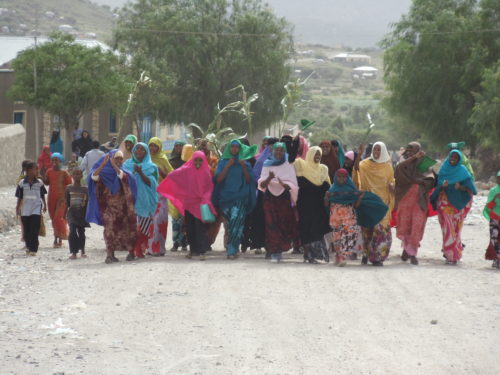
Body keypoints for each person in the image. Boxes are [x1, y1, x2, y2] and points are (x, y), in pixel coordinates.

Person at [158, 151, 216, 260]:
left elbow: (209, 188)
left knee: (200, 228)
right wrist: (164, 175)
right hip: (189, 204)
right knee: (190, 228)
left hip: (200, 205)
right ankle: (193, 250)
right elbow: (174, 175)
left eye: (200, 160)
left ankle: (202, 251)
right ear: (192, 160)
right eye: (196, 160)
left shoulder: (206, 172)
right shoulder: (187, 170)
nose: (198, 162)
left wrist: (205, 199)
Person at [327, 168, 388, 266]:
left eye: (344, 177)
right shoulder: (332, 189)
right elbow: (327, 205)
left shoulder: (351, 189)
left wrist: (359, 198)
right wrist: (326, 197)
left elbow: (355, 205)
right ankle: (339, 256)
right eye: (339, 177)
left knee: (350, 235)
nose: (341, 179)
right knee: (338, 238)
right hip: (336, 217)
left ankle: (343, 257)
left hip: (349, 217)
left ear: (347, 178)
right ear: (335, 177)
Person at [87, 150, 138, 264]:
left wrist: (115, 166)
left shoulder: (125, 172)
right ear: (110, 159)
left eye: (121, 159)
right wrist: (103, 165)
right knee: (109, 231)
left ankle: (131, 252)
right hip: (109, 208)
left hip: (123, 209)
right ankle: (110, 255)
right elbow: (94, 178)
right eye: (116, 159)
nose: (119, 161)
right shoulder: (104, 173)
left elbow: (123, 177)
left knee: (127, 230)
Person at [431, 150, 477, 265]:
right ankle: (450, 254)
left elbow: (471, 189)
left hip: (458, 205)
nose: (453, 159)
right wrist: (443, 186)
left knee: (456, 229)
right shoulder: (443, 169)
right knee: (447, 228)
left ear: (459, 159)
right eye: (452, 156)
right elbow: (437, 188)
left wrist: (461, 187)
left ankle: (455, 252)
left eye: (456, 157)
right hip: (444, 204)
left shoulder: (462, 170)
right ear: (449, 157)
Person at [213, 139, 257, 259]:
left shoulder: (245, 163)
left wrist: (243, 166)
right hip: (226, 198)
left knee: (235, 220)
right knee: (232, 224)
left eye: (237, 147)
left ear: (240, 149)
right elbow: (218, 179)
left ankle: (232, 249)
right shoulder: (222, 162)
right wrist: (228, 166)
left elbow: (249, 180)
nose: (234, 149)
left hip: (240, 197)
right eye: (232, 147)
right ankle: (234, 246)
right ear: (229, 149)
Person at [395, 142, 435, 265]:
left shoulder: (424, 165)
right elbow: (399, 170)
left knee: (417, 226)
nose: (410, 151)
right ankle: (407, 249)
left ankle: (412, 253)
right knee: (405, 226)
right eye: (409, 149)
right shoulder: (403, 163)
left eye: (413, 150)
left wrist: (421, 181)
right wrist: (413, 158)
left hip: (419, 200)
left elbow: (431, 179)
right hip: (405, 200)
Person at [258, 143, 299, 262]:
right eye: (277, 150)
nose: (279, 152)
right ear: (273, 151)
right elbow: (262, 185)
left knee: (282, 224)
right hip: (270, 199)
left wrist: (285, 185)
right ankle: (274, 251)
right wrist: (270, 178)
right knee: (271, 225)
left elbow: (293, 185)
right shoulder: (267, 164)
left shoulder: (288, 165)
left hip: (284, 199)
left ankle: (279, 249)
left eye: (282, 150)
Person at [357, 142, 395, 266]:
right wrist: (359, 154)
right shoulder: (364, 165)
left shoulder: (388, 167)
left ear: (383, 151)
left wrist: (392, 186)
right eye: (375, 150)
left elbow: (392, 180)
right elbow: (356, 173)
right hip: (368, 202)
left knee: (381, 231)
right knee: (367, 230)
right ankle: (366, 254)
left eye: (379, 150)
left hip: (383, 203)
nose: (376, 152)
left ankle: (378, 258)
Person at [294, 146, 331, 263]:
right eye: (315, 154)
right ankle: (307, 253)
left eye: (319, 154)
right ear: (310, 155)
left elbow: (328, 187)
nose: (318, 157)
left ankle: (314, 255)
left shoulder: (323, 169)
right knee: (305, 228)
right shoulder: (302, 167)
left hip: (318, 206)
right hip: (304, 205)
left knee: (316, 228)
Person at [123, 142, 159, 260]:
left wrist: (140, 172)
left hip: (145, 201)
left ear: (146, 152)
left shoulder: (151, 167)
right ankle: (131, 251)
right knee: (131, 227)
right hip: (130, 201)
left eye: (142, 149)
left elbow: (152, 183)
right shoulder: (127, 165)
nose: (138, 151)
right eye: (137, 148)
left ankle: (139, 250)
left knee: (143, 227)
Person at [148, 137, 173, 256]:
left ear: (159, 147)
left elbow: (171, 176)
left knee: (159, 220)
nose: (152, 148)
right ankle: (150, 248)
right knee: (149, 221)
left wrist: (160, 171)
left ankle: (159, 248)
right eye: (151, 145)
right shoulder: (145, 158)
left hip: (161, 193)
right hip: (149, 193)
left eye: (155, 146)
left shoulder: (163, 159)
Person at [16, 162, 47, 256]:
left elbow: (42, 195)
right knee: (27, 230)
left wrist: (45, 205)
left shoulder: (39, 183)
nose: (37, 171)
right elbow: (19, 197)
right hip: (25, 209)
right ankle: (28, 246)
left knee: (34, 228)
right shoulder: (21, 183)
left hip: (36, 209)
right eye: (35, 169)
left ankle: (34, 249)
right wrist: (17, 208)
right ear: (29, 171)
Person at [43, 153, 72, 248]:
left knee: (58, 218)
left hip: (62, 199)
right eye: (53, 160)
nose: (54, 162)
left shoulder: (65, 173)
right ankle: (56, 239)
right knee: (53, 218)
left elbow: (69, 186)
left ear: (60, 161)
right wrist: (43, 175)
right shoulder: (49, 171)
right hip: (51, 198)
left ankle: (61, 237)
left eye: (56, 160)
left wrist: (68, 199)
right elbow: (47, 183)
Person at [64, 169, 89, 259]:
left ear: (82, 176)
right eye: (75, 174)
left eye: (79, 174)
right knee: (72, 232)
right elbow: (67, 202)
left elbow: (87, 202)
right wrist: (64, 214)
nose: (77, 176)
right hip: (72, 214)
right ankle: (73, 252)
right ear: (72, 176)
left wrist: (88, 215)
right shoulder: (68, 188)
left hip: (82, 214)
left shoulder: (85, 189)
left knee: (81, 232)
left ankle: (82, 251)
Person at [168, 140, 188, 252]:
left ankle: (184, 243)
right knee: (175, 219)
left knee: (184, 219)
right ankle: (175, 243)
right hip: (175, 193)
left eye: (181, 146)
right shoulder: (171, 161)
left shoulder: (188, 161)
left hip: (186, 194)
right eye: (176, 146)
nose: (178, 148)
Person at [484, 171, 500, 268]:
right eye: (499, 177)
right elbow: (488, 206)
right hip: (494, 218)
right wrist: (494, 198)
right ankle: (496, 258)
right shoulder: (493, 191)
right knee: (494, 238)